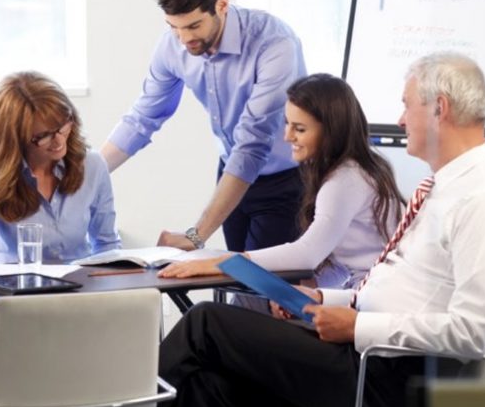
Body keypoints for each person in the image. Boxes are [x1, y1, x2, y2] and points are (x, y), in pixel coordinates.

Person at [156, 52, 485, 407]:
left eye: (407, 106)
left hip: (396, 378)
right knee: (205, 387)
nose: (400, 120)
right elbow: (408, 291)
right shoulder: (446, 188)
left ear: (439, 109)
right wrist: (327, 300)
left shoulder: (483, 202)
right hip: (375, 359)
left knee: (206, 323)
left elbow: (472, 332)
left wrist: (357, 326)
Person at [101, 0, 307, 254]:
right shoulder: (172, 45)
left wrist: (196, 236)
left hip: (285, 181)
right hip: (230, 171)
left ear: (222, 4)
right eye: (174, 26)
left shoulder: (274, 43)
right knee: (233, 277)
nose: (184, 39)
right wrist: (85, 176)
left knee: (263, 281)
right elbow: (142, 118)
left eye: (194, 26)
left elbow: (253, 144)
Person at [159, 72, 404, 290]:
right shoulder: (357, 170)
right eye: (287, 124)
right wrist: (312, 290)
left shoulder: (344, 181)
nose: (287, 136)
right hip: (365, 294)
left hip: (371, 301)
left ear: (331, 131)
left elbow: (307, 253)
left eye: (299, 129)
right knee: (242, 303)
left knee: (209, 315)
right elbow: (345, 260)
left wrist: (223, 263)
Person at [0, 71, 121, 339]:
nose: (59, 140)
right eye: (43, 136)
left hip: (80, 297)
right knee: (51, 334)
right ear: (15, 138)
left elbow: (107, 246)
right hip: (12, 303)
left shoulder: (92, 165)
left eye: (63, 126)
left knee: (134, 321)